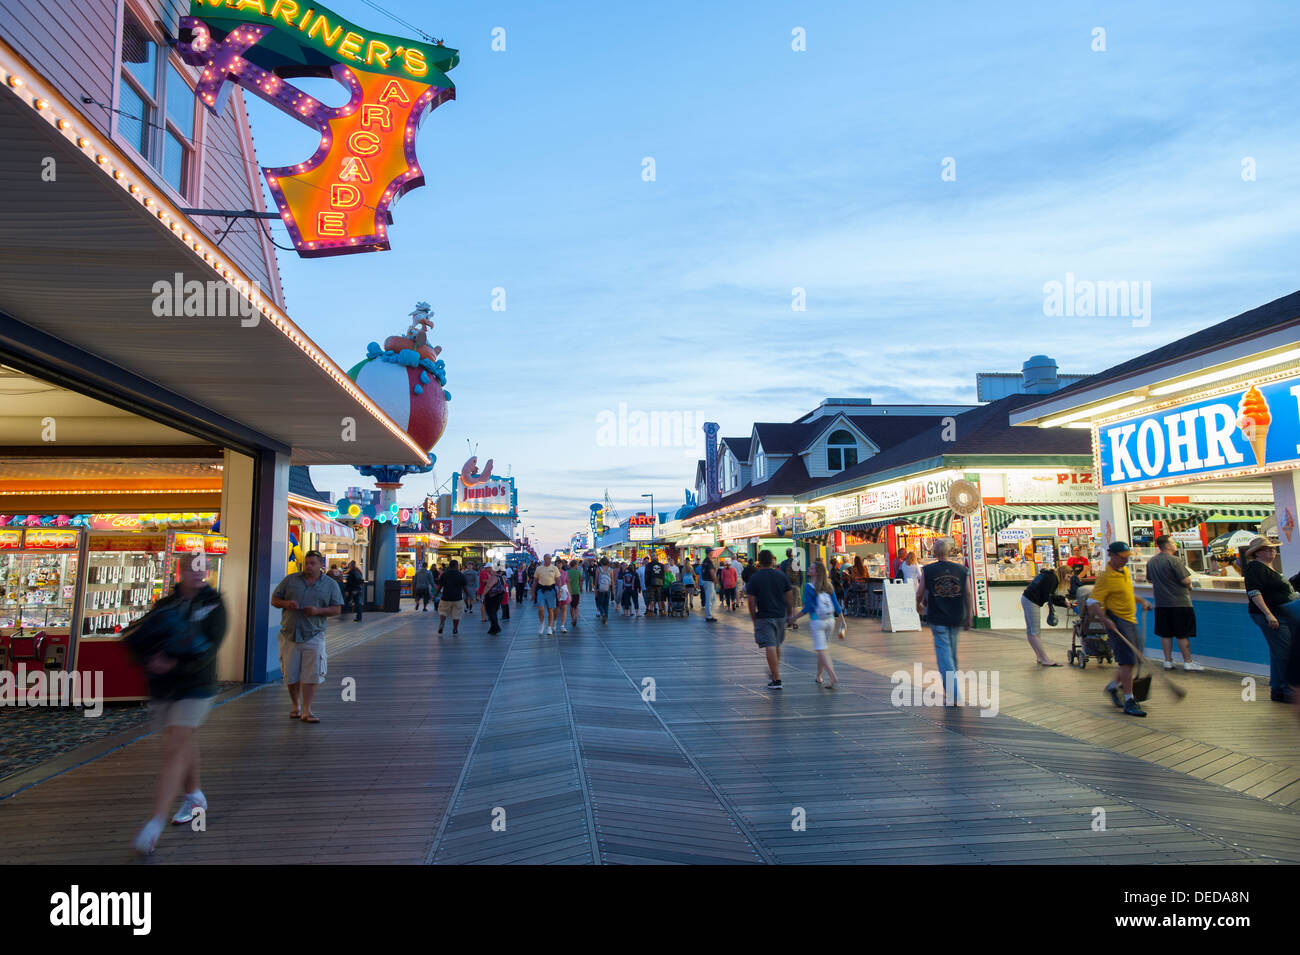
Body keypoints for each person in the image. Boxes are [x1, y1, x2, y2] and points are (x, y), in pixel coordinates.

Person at [126, 555, 227, 855]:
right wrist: (151, 661)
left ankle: (154, 824)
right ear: (180, 571)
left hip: (197, 686)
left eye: (202, 570)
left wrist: (172, 664)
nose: (198, 574)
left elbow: (211, 647)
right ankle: (194, 795)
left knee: (175, 745)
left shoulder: (214, 604)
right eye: (191, 569)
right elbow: (144, 638)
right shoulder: (166, 604)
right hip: (166, 688)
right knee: (184, 740)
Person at [270, 549, 342, 724]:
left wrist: (318, 611)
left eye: (312, 564)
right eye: (306, 563)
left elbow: (337, 609)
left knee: (312, 673)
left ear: (320, 565)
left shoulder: (330, 585)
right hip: (289, 633)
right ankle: (295, 705)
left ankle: (307, 709)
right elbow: (275, 600)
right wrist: (286, 603)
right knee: (291, 673)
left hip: (314, 634)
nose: (308, 567)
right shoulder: (290, 580)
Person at [1087, 541, 1155, 717]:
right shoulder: (1105, 577)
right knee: (1127, 661)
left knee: (1134, 658)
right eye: (1123, 558)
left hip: (1130, 620)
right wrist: (1105, 620)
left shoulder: (1123, 571)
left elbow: (1126, 593)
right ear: (1113, 556)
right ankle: (1128, 699)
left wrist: (1142, 601)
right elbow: (1092, 602)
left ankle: (1113, 687)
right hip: (1117, 621)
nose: (1126, 561)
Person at [915, 539, 972, 705]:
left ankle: (954, 695)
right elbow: (967, 594)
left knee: (944, 657)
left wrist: (917, 605)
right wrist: (969, 615)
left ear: (934, 552)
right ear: (949, 552)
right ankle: (953, 690)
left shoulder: (928, 569)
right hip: (956, 616)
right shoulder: (962, 570)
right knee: (952, 654)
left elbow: (920, 592)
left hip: (938, 617)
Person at [1243, 537, 1298, 703]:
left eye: (1273, 549)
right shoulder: (1255, 568)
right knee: (1285, 653)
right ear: (1258, 553)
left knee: (1278, 653)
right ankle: (1287, 689)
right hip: (1272, 614)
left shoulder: (1267, 567)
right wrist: (1268, 614)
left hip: (1279, 613)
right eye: (1268, 549)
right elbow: (1254, 592)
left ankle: (1278, 688)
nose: (1272, 552)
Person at [1147, 534, 1203, 671]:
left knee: (1165, 633)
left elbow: (1149, 579)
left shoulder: (1152, 562)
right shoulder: (1175, 561)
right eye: (1173, 542)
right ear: (1167, 546)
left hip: (1161, 603)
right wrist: (1189, 585)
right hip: (1179, 602)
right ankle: (1188, 662)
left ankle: (1167, 661)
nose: (1175, 545)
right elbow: (1185, 580)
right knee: (1182, 634)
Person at [747, 550, 794, 688]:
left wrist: (753, 617)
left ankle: (776, 678)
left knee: (770, 645)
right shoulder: (781, 576)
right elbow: (789, 596)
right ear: (772, 561)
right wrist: (789, 613)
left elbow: (751, 601)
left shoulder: (755, 578)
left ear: (759, 561)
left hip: (764, 616)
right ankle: (775, 672)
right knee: (776, 644)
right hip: (780, 615)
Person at [796, 559, 843, 689]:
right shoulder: (828, 586)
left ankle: (832, 676)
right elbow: (837, 606)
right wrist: (843, 622)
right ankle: (819, 676)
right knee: (822, 650)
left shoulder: (809, 587)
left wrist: (794, 617)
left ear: (816, 572)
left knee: (822, 650)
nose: (809, 569)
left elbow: (808, 608)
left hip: (817, 621)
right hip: (830, 621)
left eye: (811, 568)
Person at [1020, 564, 1067, 666]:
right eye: (1068, 577)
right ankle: (1045, 659)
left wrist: (1064, 602)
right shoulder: (1053, 579)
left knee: (1031, 631)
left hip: (1027, 598)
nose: (1068, 580)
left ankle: (1040, 657)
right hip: (1032, 601)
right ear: (1064, 574)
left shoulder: (1049, 575)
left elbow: (1049, 596)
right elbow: (1049, 597)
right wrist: (1064, 602)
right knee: (1035, 632)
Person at [435, 559, 468, 636]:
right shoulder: (460, 575)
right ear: (457, 566)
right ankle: (455, 629)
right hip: (457, 598)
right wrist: (467, 596)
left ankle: (442, 622)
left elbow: (440, 586)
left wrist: (435, 595)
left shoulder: (444, 574)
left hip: (445, 597)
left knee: (443, 611)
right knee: (456, 614)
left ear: (449, 565)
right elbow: (464, 587)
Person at [533, 554, 561, 635]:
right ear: (544, 559)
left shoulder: (554, 568)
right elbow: (535, 581)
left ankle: (549, 627)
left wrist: (560, 590)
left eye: (550, 558)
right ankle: (542, 624)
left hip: (551, 590)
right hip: (541, 590)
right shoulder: (539, 568)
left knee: (550, 610)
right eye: (548, 558)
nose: (549, 560)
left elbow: (558, 580)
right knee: (540, 609)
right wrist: (533, 593)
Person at [483, 564, 506, 635]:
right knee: (494, 612)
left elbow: (488, 586)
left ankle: (496, 627)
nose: (490, 570)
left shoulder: (493, 577)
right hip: (499, 596)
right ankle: (492, 628)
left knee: (490, 612)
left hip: (492, 597)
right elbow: (504, 584)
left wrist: (483, 595)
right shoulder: (501, 577)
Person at [698, 555, 717, 621]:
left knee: (712, 598)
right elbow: (711, 572)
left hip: (705, 581)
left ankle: (710, 614)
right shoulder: (708, 562)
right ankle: (709, 615)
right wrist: (716, 581)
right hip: (709, 582)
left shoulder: (704, 562)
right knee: (709, 599)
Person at [594, 557, 614, 624]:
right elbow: (612, 581)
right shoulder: (610, 570)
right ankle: (605, 618)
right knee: (606, 604)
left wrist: (595, 590)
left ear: (601, 562)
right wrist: (613, 590)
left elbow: (596, 581)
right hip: (608, 589)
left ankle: (602, 613)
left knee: (600, 603)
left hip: (600, 588)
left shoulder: (598, 569)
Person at [567, 559, 583, 628]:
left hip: (569, 592)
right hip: (576, 591)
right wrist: (581, 588)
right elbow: (580, 582)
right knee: (577, 606)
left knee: (571, 606)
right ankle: (576, 617)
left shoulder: (567, 572)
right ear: (575, 565)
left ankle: (573, 618)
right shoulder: (578, 572)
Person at [557, 567, 572, 633]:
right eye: (557, 563)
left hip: (564, 591)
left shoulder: (565, 573)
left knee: (564, 608)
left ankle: (562, 626)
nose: (559, 564)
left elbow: (568, 582)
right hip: (556, 591)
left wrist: (569, 593)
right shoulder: (552, 572)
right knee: (556, 609)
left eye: (560, 563)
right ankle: (554, 623)